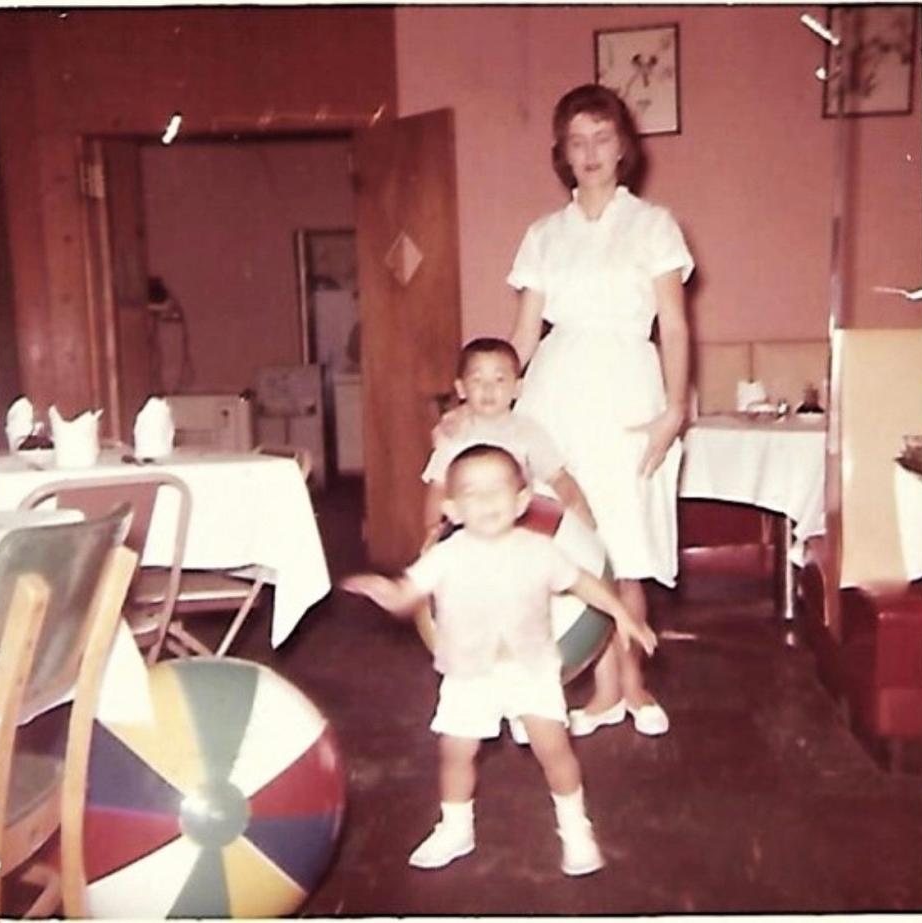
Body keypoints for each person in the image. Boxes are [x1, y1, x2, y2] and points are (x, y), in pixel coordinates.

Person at [342, 444, 657, 876]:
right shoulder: (446, 556)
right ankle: (456, 828)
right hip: (468, 674)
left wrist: (622, 613)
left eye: (498, 490)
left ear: (522, 500)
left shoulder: (539, 550)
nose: (487, 501)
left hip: (531, 670)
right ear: (451, 508)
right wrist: (389, 594)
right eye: (472, 492)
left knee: (553, 748)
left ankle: (575, 828)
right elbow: (407, 594)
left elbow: (583, 582)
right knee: (456, 751)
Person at [507, 83, 694, 738]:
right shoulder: (543, 235)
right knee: (572, 542)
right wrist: (480, 402)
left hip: (628, 397)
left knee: (628, 542)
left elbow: (673, 324)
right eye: (575, 141)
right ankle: (599, 686)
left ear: (623, 148)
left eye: (601, 138)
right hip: (556, 397)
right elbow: (524, 337)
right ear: (561, 151)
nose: (589, 153)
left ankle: (632, 685)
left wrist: (674, 409)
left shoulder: (654, 224)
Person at [422, 337, 595, 545]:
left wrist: (581, 515)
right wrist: (432, 530)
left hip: (519, 532)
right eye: (477, 380)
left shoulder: (528, 433)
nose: (488, 389)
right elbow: (438, 487)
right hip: (467, 532)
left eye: (500, 380)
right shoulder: (454, 435)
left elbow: (558, 477)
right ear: (461, 388)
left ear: (517, 388)